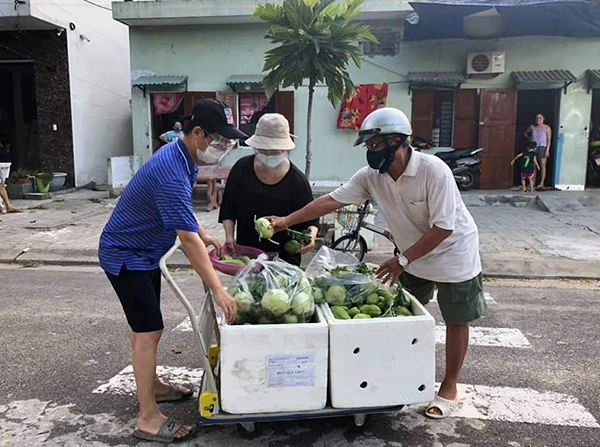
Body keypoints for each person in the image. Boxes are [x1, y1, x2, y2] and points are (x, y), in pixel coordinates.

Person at [268, 107, 486, 419]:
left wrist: (402, 259)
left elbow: (444, 227)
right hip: (410, 255)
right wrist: (286, 220)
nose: (370, 154)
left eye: (374, 146)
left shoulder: (433, 171)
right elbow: (330, 201)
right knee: (401, 315)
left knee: (455, 318)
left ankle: (449, 385)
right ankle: (399, 376)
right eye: (368, 147)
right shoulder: (372, 177)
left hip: (453, 252)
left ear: (396, 141)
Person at [99, 99, 246, 443]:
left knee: (148, 329)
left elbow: (184, 220)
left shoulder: (184, 159)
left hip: (145, 252)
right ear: (196, 133)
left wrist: (204, 233)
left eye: (227, 143)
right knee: (147, 332)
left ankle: (154, 385)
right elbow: (188, 242)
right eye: (217, 140)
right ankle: (148, 417)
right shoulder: (171, 168)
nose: (222, 149)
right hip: (126, 256)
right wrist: (217, 289)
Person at [219, 113, 318, 266]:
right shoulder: (241, 169)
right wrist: (229, 236)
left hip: (285, 260)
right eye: (264, 150)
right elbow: (228, 208)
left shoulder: (297, 181)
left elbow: (312, 219)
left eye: (274, 151)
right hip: (247, 255)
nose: (269, 155)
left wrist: (310, 237)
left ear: (284, 149)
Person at [525, 114, 552, 189]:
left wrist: (547, 150)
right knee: (533, 165)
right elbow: (526, 133)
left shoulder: (547, 128)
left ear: (543, 119)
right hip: (533, 148)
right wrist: (529, 139)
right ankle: (532, 182)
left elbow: (549, 140)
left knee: (542, 165)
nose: (538, 120)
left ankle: (541, 183)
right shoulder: (532, 127)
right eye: (537, 118)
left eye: (540, 118)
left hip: (542, 147)